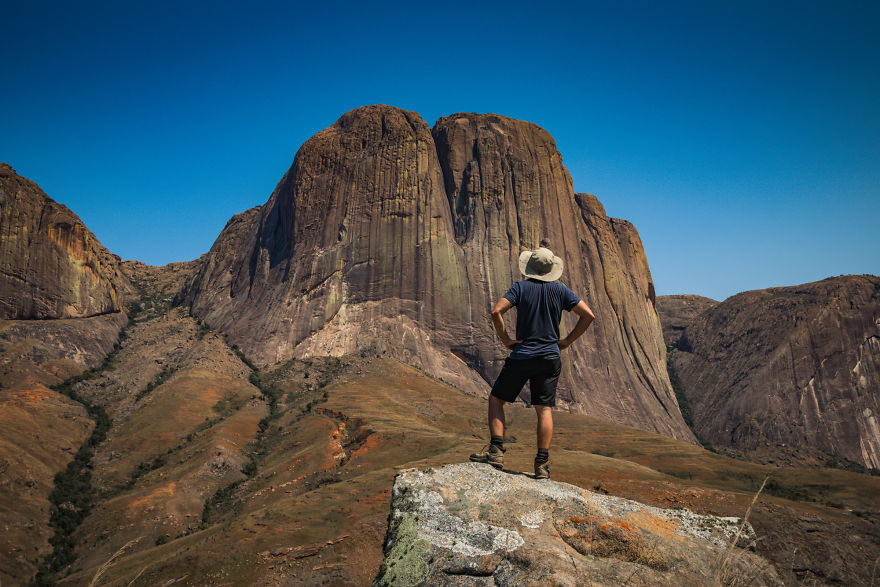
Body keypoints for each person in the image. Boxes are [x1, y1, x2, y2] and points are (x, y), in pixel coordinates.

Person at [470, 241, 595, 479]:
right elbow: (588, 315)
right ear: (551, 269)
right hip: (549, 357)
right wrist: (567, 341)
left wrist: (506, 340)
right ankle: (542, 465)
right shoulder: (561, 291)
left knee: (496, 400)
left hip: (523, 355)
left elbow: (496, 311)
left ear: (529, 267)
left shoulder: (520, 287)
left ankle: (496, 452)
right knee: (544, 409)